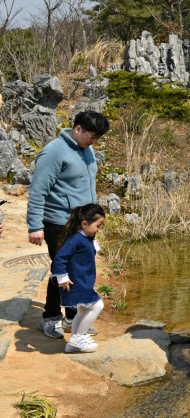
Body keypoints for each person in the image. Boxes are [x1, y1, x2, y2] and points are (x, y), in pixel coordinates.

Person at [27, 110, 109, 339]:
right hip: (58, 222)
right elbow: (37, 192)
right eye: (91, 137)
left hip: (83, 224)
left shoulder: (87, 149)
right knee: (61, 269)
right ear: (78, 128)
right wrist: (34, 226)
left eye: (97, 139)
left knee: (79, 269)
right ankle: (50, 317)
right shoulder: (53, 152)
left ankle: (72, 317)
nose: (94, 143)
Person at [51, 203, 106, 353]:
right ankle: (79, 337)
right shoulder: (75, 240)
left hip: (83, 282)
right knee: (97, 305)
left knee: (82, 311)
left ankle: (72, 343)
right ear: (84, 224)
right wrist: (62, 277)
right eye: (98, 225)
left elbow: (88, 249)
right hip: (76, 283)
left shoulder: (86, 237)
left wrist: (95, 245)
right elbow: (59, 259)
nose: (98, 229)